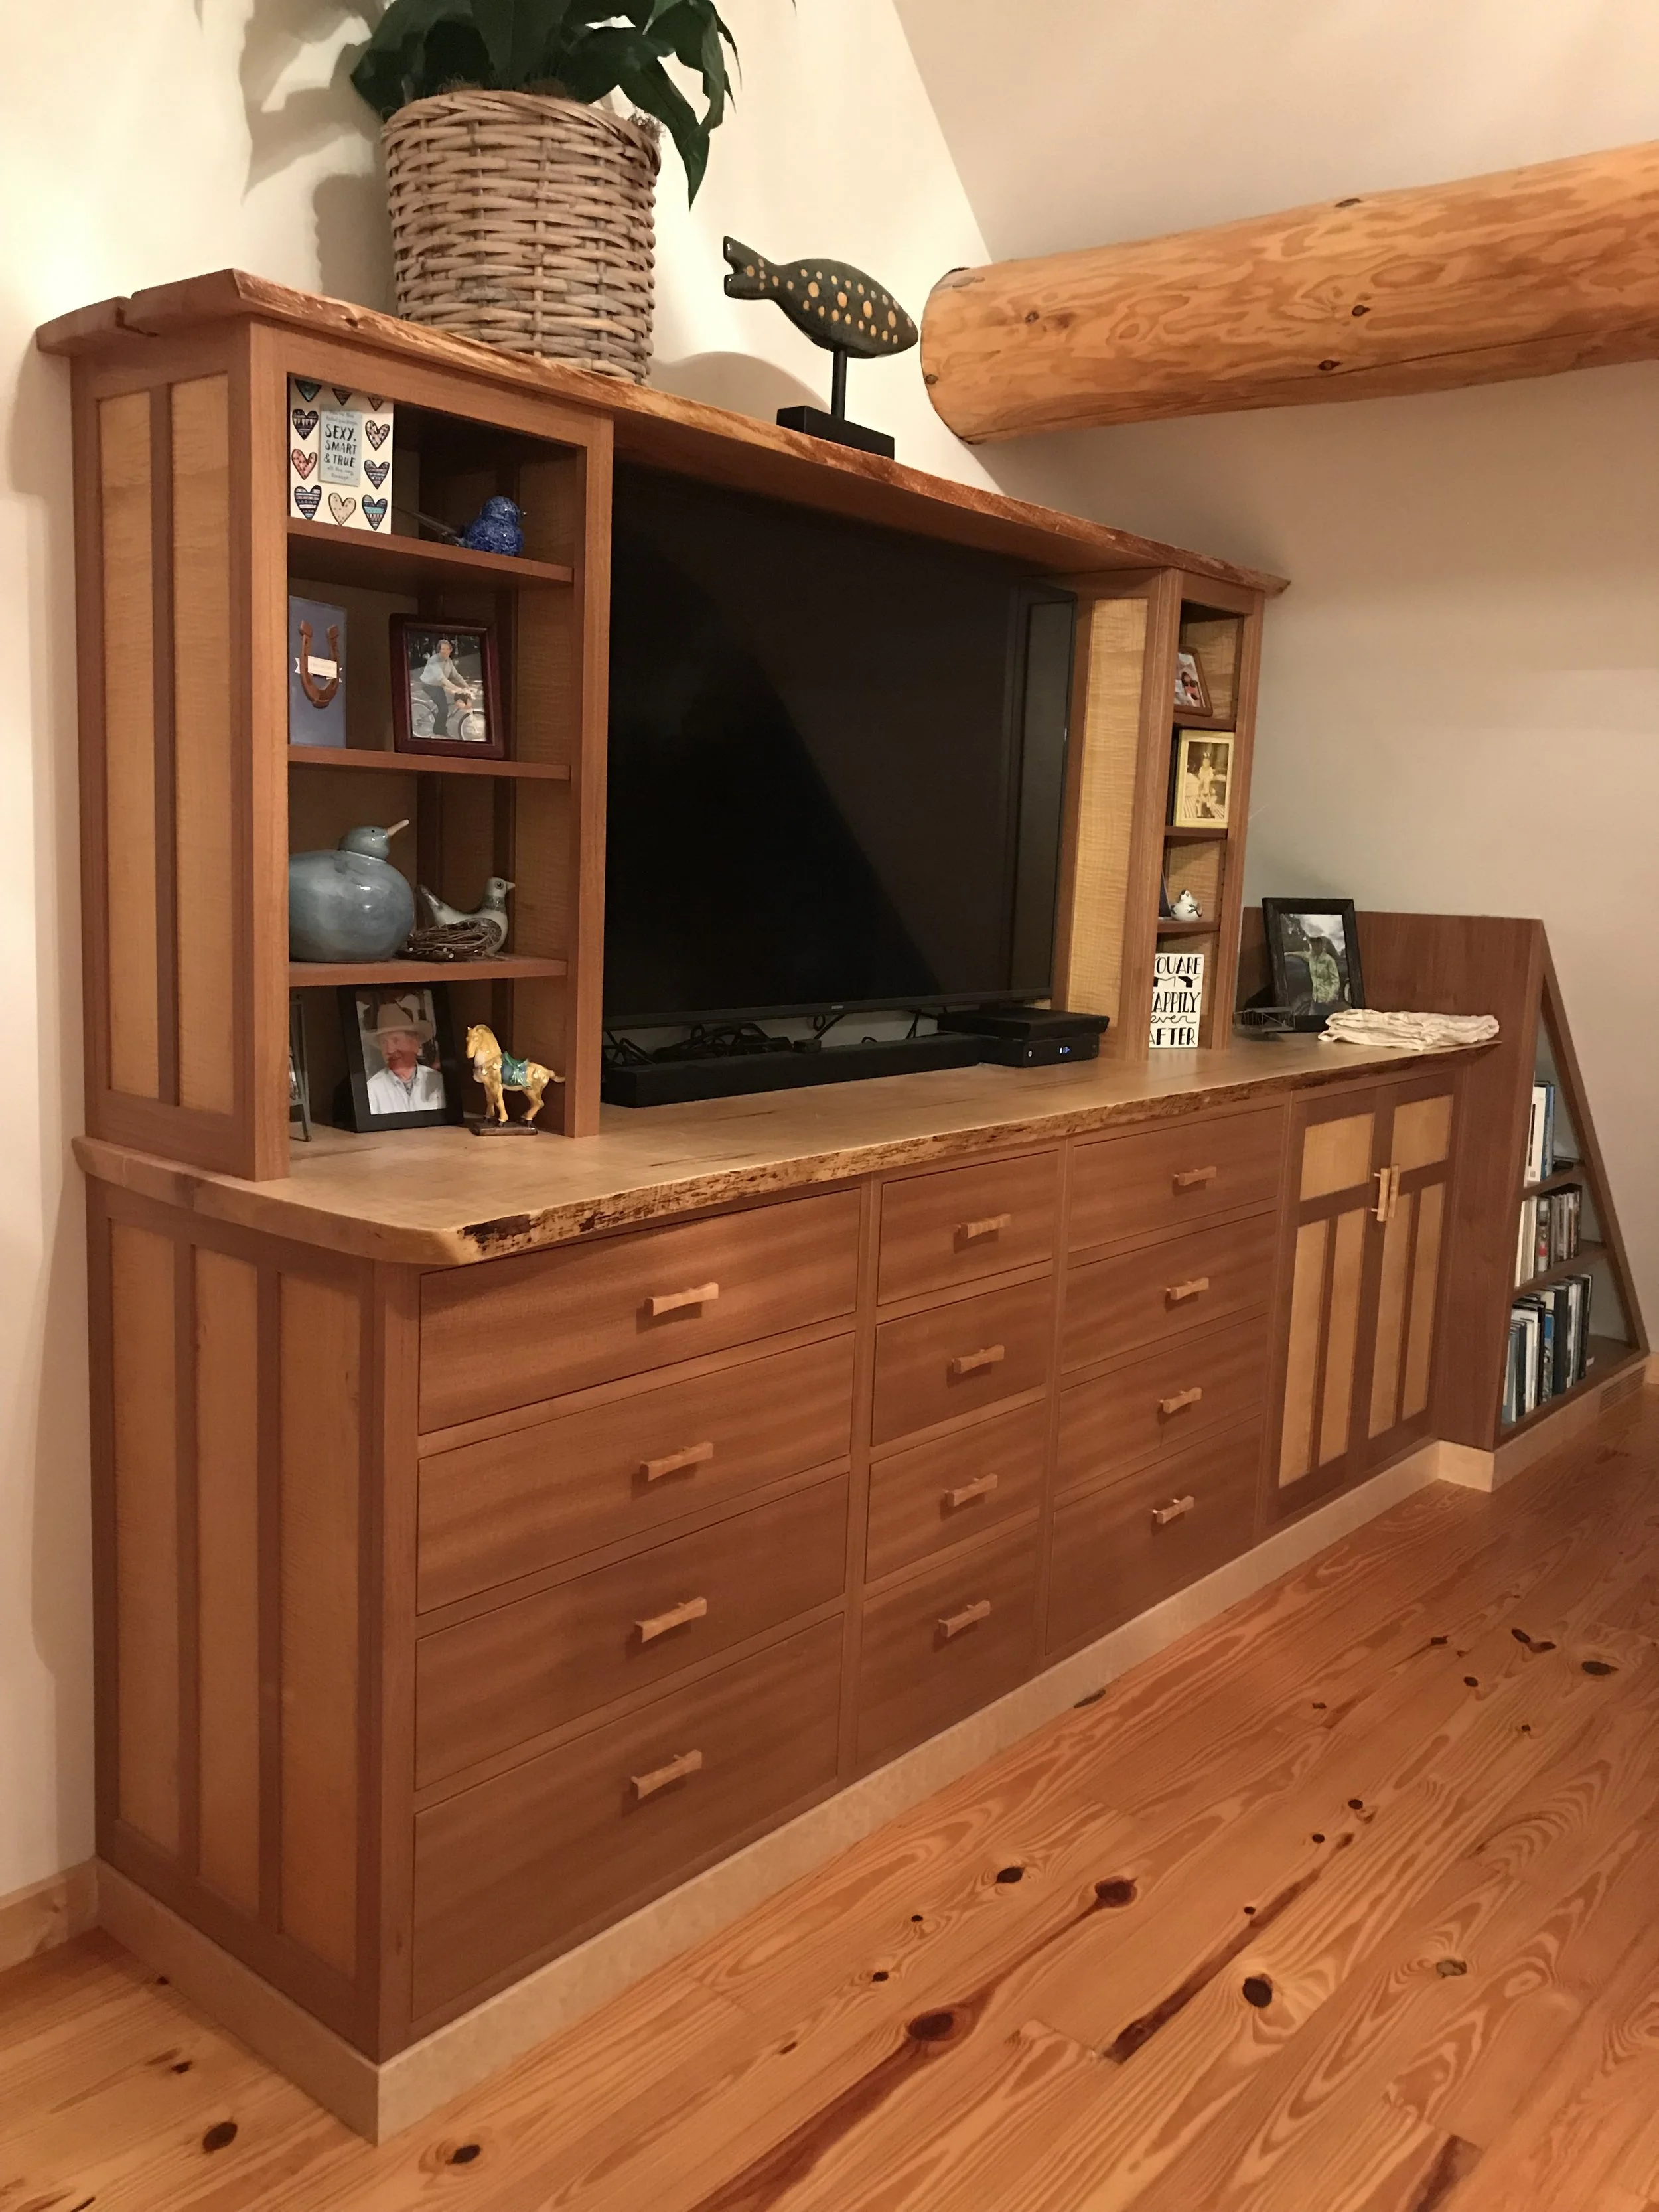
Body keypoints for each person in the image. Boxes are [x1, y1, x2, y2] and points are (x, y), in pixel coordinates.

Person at [362, 999, 446, 1114]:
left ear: (415, 1042)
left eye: (396, 1040)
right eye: (383, 1043)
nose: (390, 1050)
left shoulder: (437, 1081)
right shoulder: (372, 1090)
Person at [415, 638, 481, 741]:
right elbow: (441, 678)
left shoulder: (448, 661)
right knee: (444, 708)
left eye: (448, 649)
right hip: (429, 685)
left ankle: (440, 721)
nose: (445, 651)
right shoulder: (434, 660)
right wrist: (456, 688)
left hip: (439, 685)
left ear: (451, 650)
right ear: (439, 650)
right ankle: (437, 732)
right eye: (443, 649)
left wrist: (466, 687)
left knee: (446, 704)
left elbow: (456, 675)